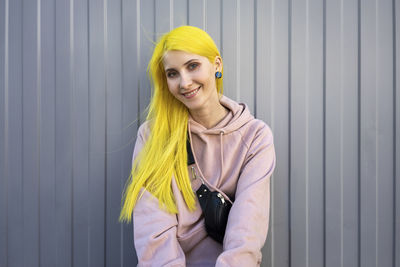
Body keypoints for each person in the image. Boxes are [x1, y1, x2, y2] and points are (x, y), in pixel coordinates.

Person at [119, 25, 276, 267]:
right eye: (172, 74)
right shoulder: (153, 136)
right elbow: (153, 231)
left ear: (217, 65)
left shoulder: (255, 136)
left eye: (192, 66)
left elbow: (247, 229)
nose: (184, 82)